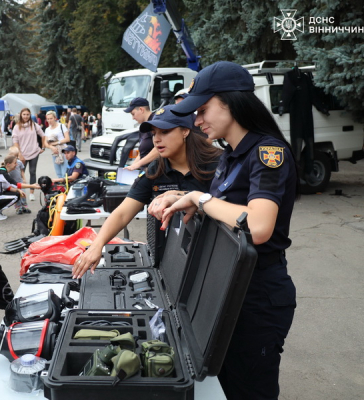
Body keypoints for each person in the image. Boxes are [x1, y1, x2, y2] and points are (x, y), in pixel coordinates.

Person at [160, 61, 298, 399]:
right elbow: (226, 210)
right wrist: (187, 198)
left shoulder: (267, 152)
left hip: (258, 296)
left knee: (251, 389)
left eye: (204, 109)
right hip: (229, 289)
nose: (197, 120)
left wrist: (200, 197)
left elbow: (259, 225)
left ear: (231, 103)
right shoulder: (231, 156)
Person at [71, 105, 220, 279]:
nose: (157, 140)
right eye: (154, 133)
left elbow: (234, 211)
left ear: (185, 131)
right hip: (171, 261)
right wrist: (97, 245)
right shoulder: (155, 170)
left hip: (213, 261)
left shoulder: (218, 164)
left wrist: (187, 197)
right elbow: (122, 213)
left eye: (164, 132)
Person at [12, 107, 44, 201]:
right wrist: (19, 154)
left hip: (34, 152)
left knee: (32, 172)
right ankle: (21, 194)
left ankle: (31, 193)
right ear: (21, 115)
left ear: (30, 115)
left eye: (27, 114)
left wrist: (42, 148)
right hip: (22, 154)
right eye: (24, 114)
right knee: (20, 174)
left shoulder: (34, 125)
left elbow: (43, 135)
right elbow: (15, 141)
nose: (26, 116)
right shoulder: (17, 127)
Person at [124, 97, 159, 171]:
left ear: (141, 109)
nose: (133, 118)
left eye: (133, 114)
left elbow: (158, 149)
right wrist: (132, 166)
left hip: (155, 170)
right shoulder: (144, 126)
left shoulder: (155, 123)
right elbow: (142, 152)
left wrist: (138, 164)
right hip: (145, 169)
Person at [43, 110, 70, 178]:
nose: (49, 120)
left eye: (51, 118)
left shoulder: (61, 126)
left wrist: (56, 143)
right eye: (48, 119)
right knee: (58, 173)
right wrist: (52, 147)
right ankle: (61, 187)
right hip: (54, 152)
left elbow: (67, 139)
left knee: (65, 173)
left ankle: (67, 187)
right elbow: (45, 143)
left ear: (55, 118)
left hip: (64, 151)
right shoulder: (47, 129)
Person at [7, 146, 30, 214]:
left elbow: (22, 171)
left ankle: (24, 206)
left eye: (16, 156)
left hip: (20, 181)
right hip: (13, 182)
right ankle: (18, 208)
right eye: (14, 156)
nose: (15, 157)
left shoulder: (19, 162)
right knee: (17, 195)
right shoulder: (8, 163)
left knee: (23, 194)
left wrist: (24, 179)